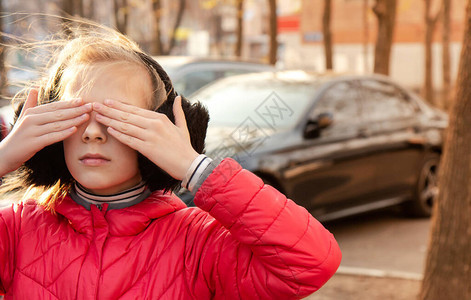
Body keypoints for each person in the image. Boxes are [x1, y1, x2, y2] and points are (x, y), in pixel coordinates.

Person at [0, 24, 341, 299]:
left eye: (118, 116)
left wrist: (195, 168)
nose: (92, 132)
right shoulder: (16, 231)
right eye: (75, 113)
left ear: (163, 129)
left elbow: (311, 263)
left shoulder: (197, 241)